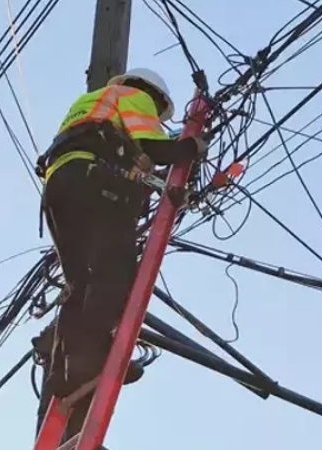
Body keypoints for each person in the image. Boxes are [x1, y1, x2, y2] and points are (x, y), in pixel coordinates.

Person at [34, 67, 206, 435]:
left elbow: (123, 148)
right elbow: (154, 146)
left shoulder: (89, 102)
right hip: (93, 181)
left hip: (58, 188)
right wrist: (191, 147)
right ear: (155, 97)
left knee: (79, 283)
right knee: (114, 272)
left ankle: (67, 373)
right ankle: (95, 356)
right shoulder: (135, 97)